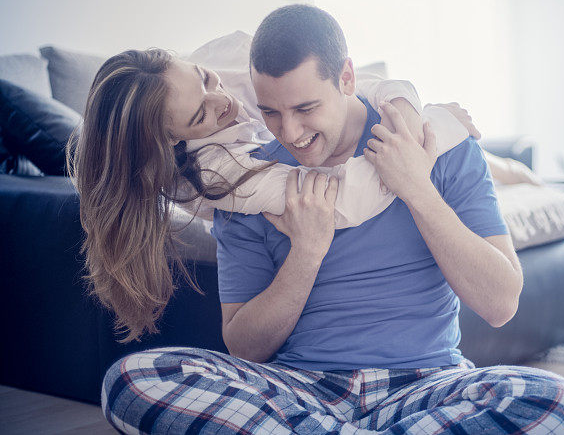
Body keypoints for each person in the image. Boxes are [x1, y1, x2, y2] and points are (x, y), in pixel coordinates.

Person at [100, 5, 564, 435]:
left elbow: (501, 302)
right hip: (297, 392)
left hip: (427, 385)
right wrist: (306, 254)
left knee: (557, 402)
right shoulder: (246, 184)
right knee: (130, 381)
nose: (290, 132)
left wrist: (417, 190)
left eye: (306, 108)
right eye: (270, 112)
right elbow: (244, 348)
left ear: (348, 79)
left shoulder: (441, 150)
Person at [69, 48, 470, 344]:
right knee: (135, 378)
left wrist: (407, 107)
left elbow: (341, 83)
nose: (223, 100)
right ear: (172, 141)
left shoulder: (222, 62)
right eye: (200, 116)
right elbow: (338, 200)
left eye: (205, 79)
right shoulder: (216, 174)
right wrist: (443, 125)